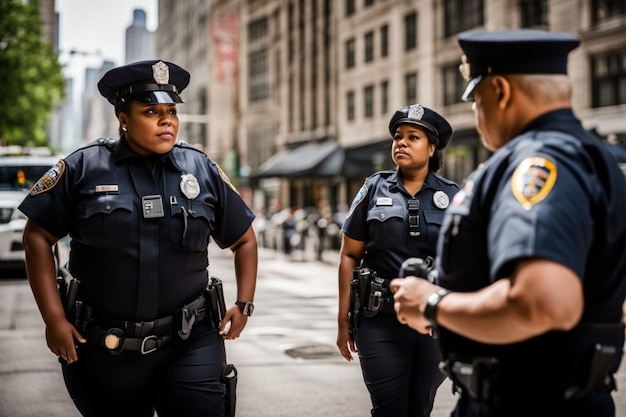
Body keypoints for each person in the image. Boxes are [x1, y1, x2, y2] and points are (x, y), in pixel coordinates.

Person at [391, 29, 626, 417]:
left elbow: (544, 303)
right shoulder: (589, 156)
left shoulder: (539, 161)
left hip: (525, 400)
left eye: (475, 98)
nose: (474, 112)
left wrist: (432, 303)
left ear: (500, 91)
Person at [19, 60, 258, 417]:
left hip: (190, 342)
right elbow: (37, 236)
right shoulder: (84, 168)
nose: (167, 121)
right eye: (151, 111)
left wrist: (245, 303)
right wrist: (54, 319)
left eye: (172, 111)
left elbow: (245, 240)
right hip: (103, 347)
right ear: (123, 118)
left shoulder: (200, 170)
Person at [337, 104, 460, 416]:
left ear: (432, 148)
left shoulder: (453, 196)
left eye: (413, 137)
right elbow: (350, 254)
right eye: (398, 136)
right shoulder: (373, 188)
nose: (401, 142)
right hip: (379, 319)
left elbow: (464, 262)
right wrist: (343, 320)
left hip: (434, 321)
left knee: (420, 407)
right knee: (389, 408)